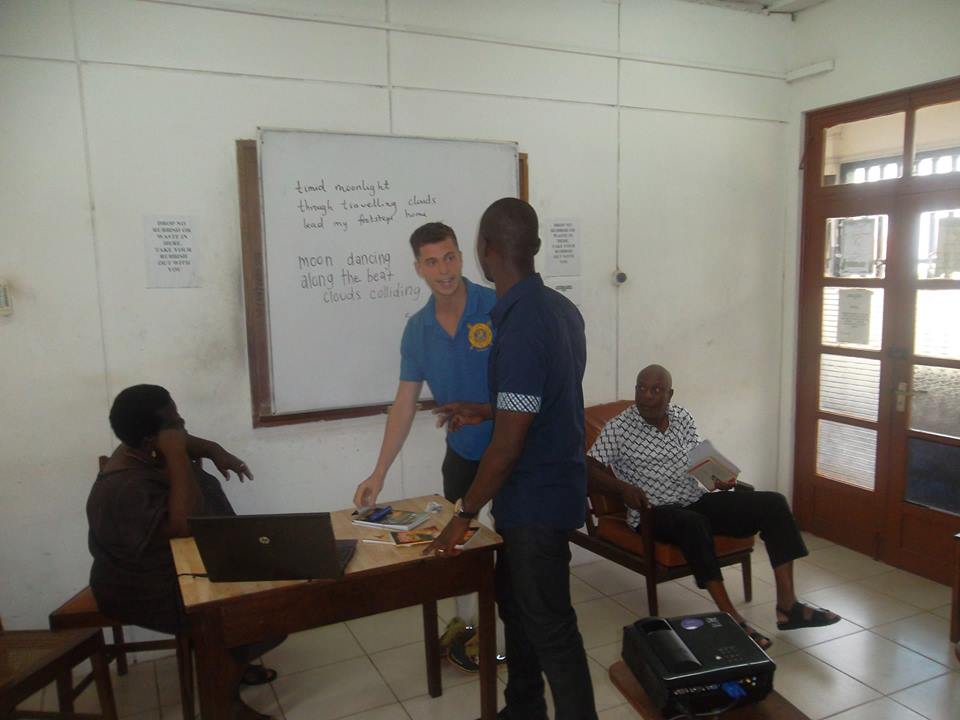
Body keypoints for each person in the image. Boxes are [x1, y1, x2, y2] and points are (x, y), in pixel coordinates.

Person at [427, 198, 598, 720]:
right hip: (554, 489)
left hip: (535, 503)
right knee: (519, 611)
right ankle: (523, 708)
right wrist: (487, 409)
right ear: (536, 247)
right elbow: (549, 398)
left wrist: (463, 515)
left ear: (484, 250)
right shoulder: (561, 310)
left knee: (550, 627)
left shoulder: (523, 325)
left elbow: (507, 447)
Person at [587, 364, 841, 649]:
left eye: (656, 390)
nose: (646, 396)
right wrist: (623, 488)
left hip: (695, 499)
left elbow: (699, 457)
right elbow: (588, 469)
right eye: (641, 388)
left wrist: (718, 477)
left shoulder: (682, 417)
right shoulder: (619, 428)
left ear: (670, 394)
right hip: (653, 512)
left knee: (774, 503)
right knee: (693, 524)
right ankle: (731, 617)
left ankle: (788, 606)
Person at [351, 221, 499, 671]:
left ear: (461, 257)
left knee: (512, 545)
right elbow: (404, 404)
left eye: (450, 257)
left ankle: (505, 635)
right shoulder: (417, 330)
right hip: (463, 453)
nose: (444, 270)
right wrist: (378, 473)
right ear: (418, 268)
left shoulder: (496, 306)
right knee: (457, 543)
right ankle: (466, 624)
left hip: (514, 451)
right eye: (432, 262)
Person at [87, 384, 282, 720]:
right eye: (175, 424)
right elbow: (185, 524)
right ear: (153, 439)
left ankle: (230, 661)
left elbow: (184, 441)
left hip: (177, 570)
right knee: (252, 612)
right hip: (141, 591)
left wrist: (213, 449)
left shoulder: (139, 448)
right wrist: (178, 455)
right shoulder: (124, 488)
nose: (183, 425)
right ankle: (225, 705)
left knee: (264, 589)